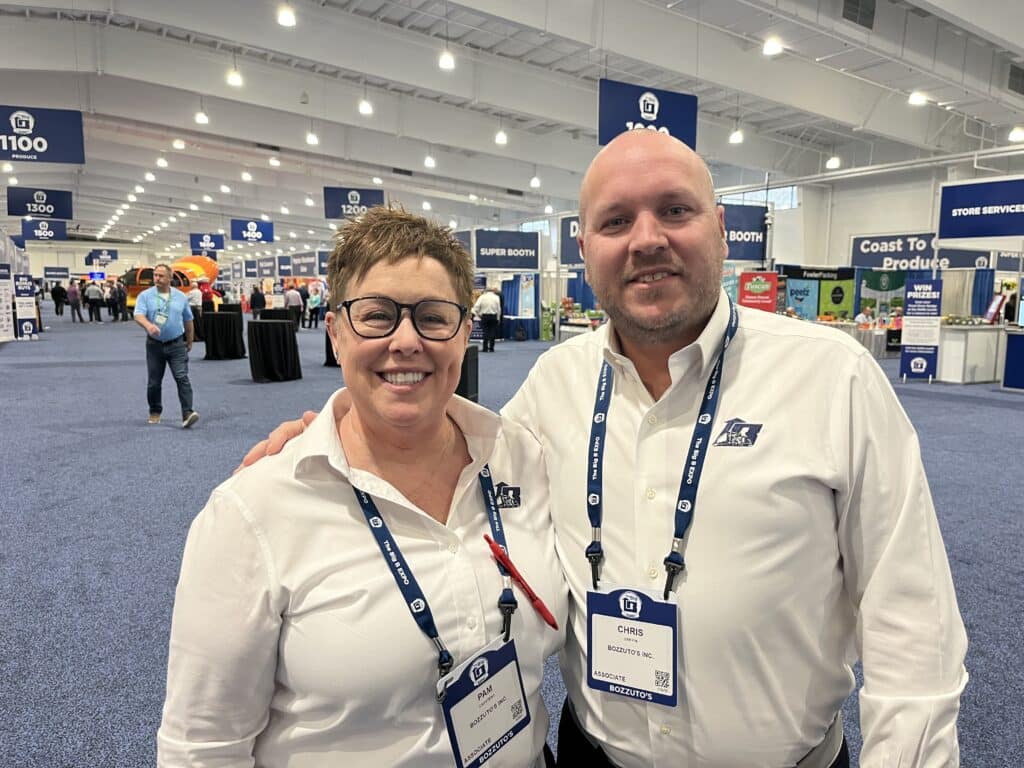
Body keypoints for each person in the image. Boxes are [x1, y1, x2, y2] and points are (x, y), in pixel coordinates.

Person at [244, 131, 967, 768]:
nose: (646, 239)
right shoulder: (553, 384)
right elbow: (450, 454)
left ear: (721, 230)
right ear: (586, 250)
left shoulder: (833, 377)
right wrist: (334, 437)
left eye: (675, 210)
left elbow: (914, 624)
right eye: (616, 221)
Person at [158, 206, 566, 767]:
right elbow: (202, 748)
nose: (406, 341)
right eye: (376, 316)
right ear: (335, 331)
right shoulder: (254, 512)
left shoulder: (522, 457)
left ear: (465, 332)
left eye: (433, 316)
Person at [133, 264, 199, 429]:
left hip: (176, 344)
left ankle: (187, 413)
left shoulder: (181, 297)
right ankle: (155, 411)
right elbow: (138, 315)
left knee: (182, 377)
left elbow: (188, 320)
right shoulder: (145, 296)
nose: (157, 278)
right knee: (154, 382)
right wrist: (148, 326)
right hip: (154, 345)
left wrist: (190, 340)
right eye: (155, 275)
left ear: (170, 278)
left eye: (161, 276)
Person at [472, 287, 502, 352]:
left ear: (485, 291)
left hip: (485, 316)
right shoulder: (496, 297)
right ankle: (491, 348)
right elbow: (499, 309)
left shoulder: (482, 297)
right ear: (492, 291)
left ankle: (485, 348)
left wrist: (478, 314)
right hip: (494, 316)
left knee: (485, 332)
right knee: (492, 332)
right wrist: (498, 318)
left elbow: (476, 307)